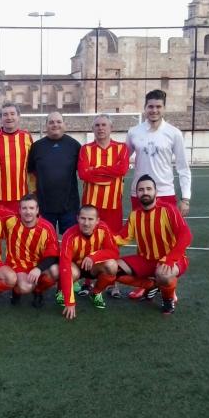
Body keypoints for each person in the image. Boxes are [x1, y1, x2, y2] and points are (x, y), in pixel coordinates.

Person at [126, 89, 191, 299]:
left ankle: (168, 284)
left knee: (168, 240)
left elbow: (183, 167)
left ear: (164, 108)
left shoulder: (174, 133)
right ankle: (146, 284)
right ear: (144, 108)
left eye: (158, 106)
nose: (154, 110)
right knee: (142, 238)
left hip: (165, 193)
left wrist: (186, 197)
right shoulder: (134, 132)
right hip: (138, 193)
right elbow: (122, 160)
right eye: (150, 106)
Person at [114, 175, 192, 315]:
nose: (145, 192)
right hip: (146, 260)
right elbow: (121, 238)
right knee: (110, 269)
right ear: (137, 193)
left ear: (156, 191)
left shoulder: (168, 210)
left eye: (149, 189)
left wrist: (170, 259)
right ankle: (151, 285)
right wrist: (98, 239)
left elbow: (186, 235)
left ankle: (168, 300)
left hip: (172, 260)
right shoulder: (135, 215)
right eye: (141, 190)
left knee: (163, 274)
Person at [77, 113, 129, 298]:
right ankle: (87, 282)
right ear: (92, 128)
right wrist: (109, 173)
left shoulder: (122, 148)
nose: (100, 128)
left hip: (112, 206)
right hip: (90, 206)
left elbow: (122, 169)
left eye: (104, 125)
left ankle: (113, 283)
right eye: (97, 125)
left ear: (111, 128)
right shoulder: (85, 149)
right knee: (88, 242)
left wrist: (96, 170)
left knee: (112, 242)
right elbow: (83, 174)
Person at [0, 194, 60, 308]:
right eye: (24, 208)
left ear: (37, 210)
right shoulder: (11, 220)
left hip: (38, 264)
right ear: (19, 210)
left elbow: (52, 255)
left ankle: (38, 291)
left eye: (31, 208)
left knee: (56, 271)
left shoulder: (47, 227)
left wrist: (38, 269)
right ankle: (15, 291)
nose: (28, 212)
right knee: (25, 287)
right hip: (17, 265)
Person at [58, 205, 119, 320]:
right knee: (70, 272)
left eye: (90, 219)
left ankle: (95, 293)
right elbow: (64, 266)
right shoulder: (69, 235)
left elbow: (114, 251)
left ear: (97, 220)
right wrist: (69, 302)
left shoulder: (103, 228)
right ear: (77, 218)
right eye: (83, 218)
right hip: (75, 267)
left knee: (112, 265)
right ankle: (61, 291)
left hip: (92, 267)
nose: (86, 223)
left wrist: (93, 257)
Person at [28, 111, 81, 235]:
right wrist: (33, 193)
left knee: (70, 239)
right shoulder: (37, 147)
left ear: (64, 124)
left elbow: (83, 171)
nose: (55, 125)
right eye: (51, 122)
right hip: (43, 206)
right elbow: (30, 172)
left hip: (69, 206)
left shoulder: (74, 145)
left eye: (58, 122)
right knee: (44, 240)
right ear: (46, 126)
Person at [0, 103, 34, 213]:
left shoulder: (27, 137)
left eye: (12, 114)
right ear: (0, 118)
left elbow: (32, 166)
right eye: (5, 114)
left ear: (18, 116)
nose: (9, 117)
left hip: (21, 197)